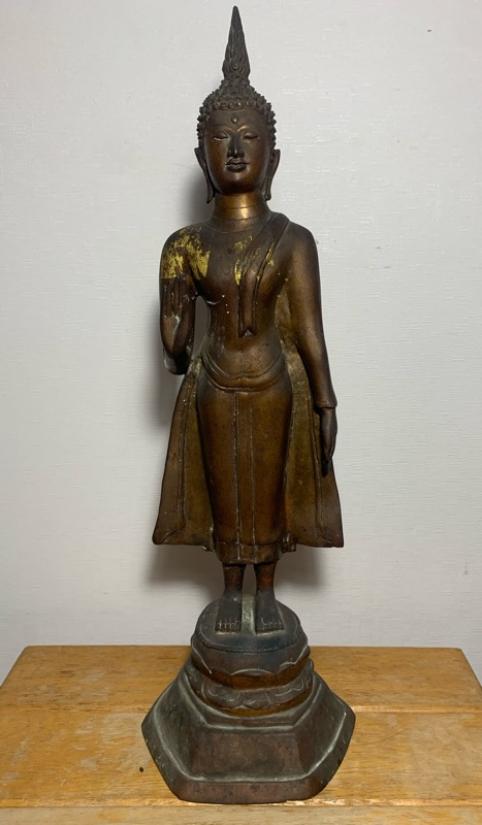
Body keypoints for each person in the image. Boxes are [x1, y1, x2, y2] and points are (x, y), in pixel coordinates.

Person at [153, 7, 343, 634]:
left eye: (249, 137)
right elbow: (176, 351)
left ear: (274, 158)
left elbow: (309, 331)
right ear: (201, 156)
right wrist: (174, 316)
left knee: (268, 490)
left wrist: (326, 401)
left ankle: (265, 591)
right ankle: (231, 590)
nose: (235, 149)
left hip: (272, 383)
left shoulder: (293, 240)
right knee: (223, 490)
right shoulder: (185, 244)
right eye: (222, 138)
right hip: (214, 381)